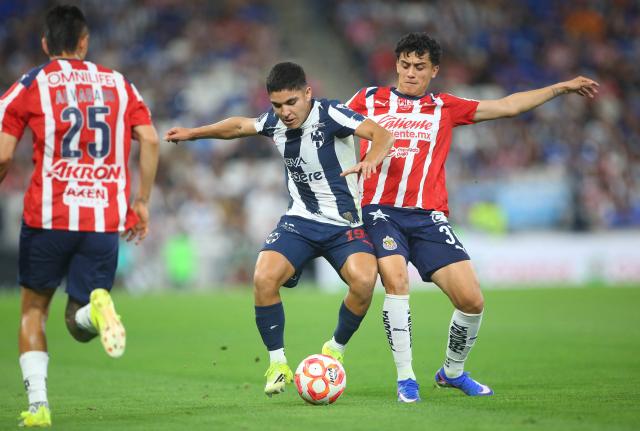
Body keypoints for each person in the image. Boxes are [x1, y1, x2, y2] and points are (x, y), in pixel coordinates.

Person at [346, 32, 599, 402]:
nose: (410, 73)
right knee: (397, 282)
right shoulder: (368, 99)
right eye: (404, 65)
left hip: (428, 217)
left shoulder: (445, 106)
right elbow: (324, 122)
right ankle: (406, 380)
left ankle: (452, 372)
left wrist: (559, 88)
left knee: (472, 300)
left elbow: (508, 106)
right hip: (379, 211)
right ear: (396, 64)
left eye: (419, 67)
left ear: (434, 70)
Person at [165, 61, 394, 397]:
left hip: (345, 225)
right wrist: (192, 133)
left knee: (364, 281)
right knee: (263, 278)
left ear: (307, 94)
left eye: (291, 103)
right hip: (300, 221)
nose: (285, 112)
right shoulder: (274, 122)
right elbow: (239, 127)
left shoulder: (332, 114)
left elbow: (381, 134)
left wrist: (372, 156)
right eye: (277, 105)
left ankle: (334, 349)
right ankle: (277, 364)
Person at [0, 5, 160, 426]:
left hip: (47, 217)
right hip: (103, 220)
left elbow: (2, 153)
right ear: (85, 42)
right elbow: (150, 139)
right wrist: (141, 201)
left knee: (34, 311)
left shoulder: (30, 83)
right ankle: (96, 309)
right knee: (77, 322)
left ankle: (38, 407)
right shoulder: (119, 84)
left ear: (45, 44)